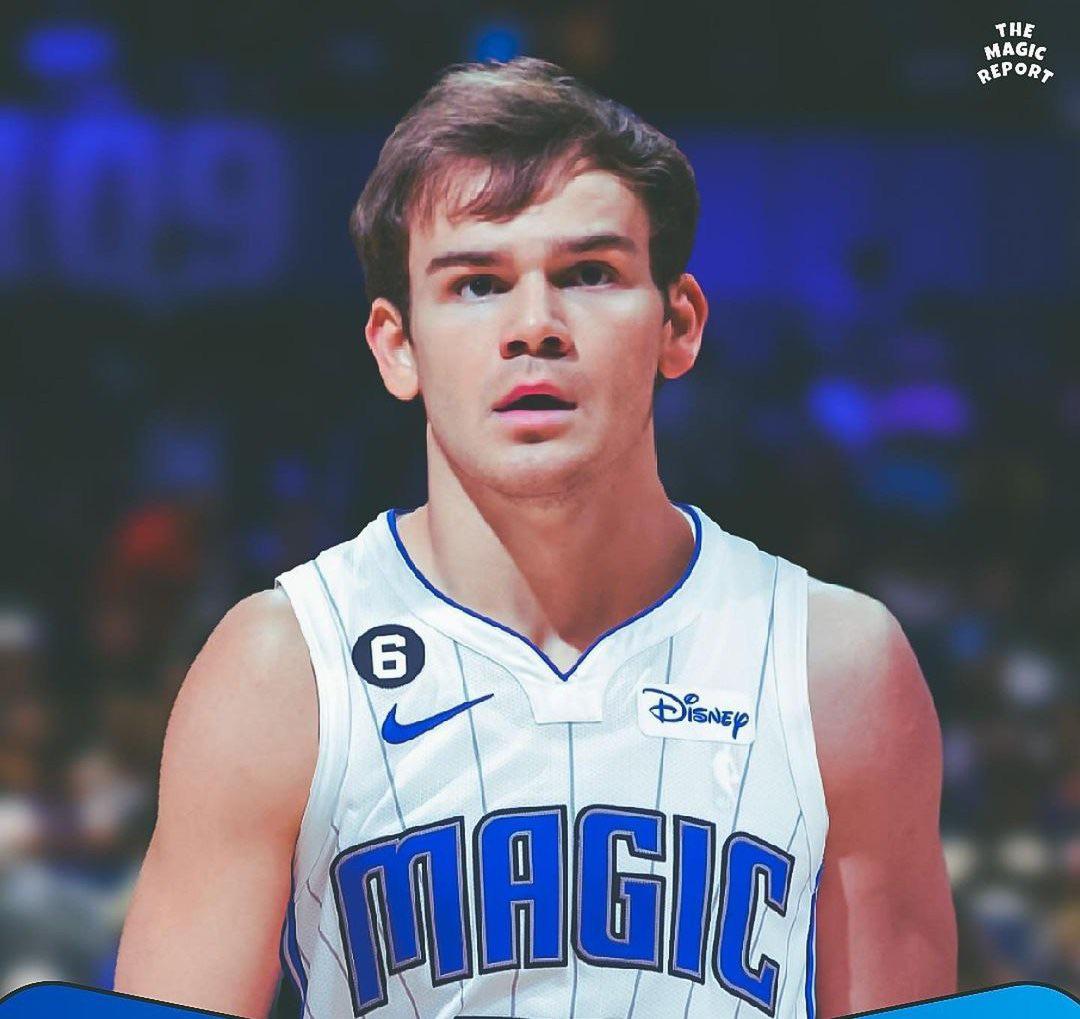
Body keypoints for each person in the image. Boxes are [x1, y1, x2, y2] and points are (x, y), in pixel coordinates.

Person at [114, 57, 956, 1019]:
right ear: (397, 345)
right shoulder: (279, 671)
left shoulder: (837, 668)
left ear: (679, 323)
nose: (534, 326)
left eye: (589, 274)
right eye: (476, 283)